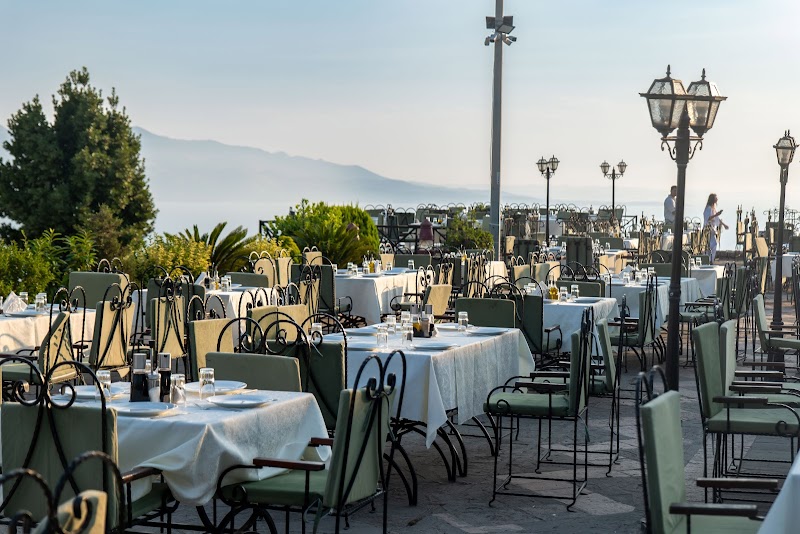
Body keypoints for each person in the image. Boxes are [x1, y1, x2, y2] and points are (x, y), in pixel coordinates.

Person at [703, 193, 728, 263]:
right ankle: (709, 259)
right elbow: (708, 218)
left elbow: (717, 218)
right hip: (708, 228)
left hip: (712, 228)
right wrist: (716, 214)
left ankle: (710, 259)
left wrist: (724, 225)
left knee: (712, 244)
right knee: (712, 244)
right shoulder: (708, 208)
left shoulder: (713, 208)